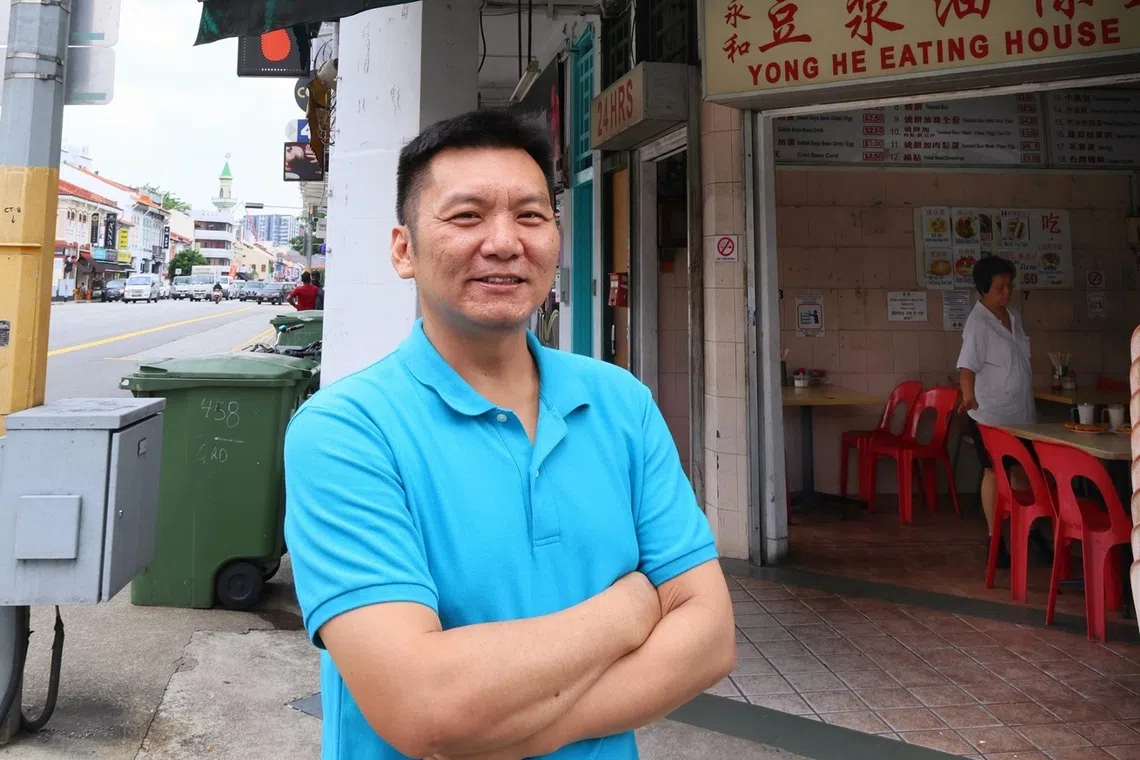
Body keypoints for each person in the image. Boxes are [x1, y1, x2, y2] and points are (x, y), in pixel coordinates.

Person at [283, 110, 735, 760]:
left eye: (530, 215)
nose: (503, 242)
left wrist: (507, 732)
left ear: (555, 235)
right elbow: (423, 706)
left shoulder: (621, 404)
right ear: (403, 249)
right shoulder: (346, 432)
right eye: (466, 216)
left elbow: (710, 638)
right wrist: (633, 607)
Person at [957, 255, 1047, 568]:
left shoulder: (1013, 317)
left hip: (1020, 412)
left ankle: (1030, 533)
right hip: (989, 414)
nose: (1006, 293)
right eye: (999, 288)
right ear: (983, 290)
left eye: (1009, 286)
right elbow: (967, 368)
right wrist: (969, 398)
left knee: (1023, 471)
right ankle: (996, 540)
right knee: (995, 472)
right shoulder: (978, 323)